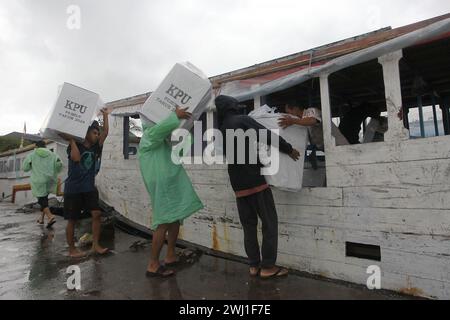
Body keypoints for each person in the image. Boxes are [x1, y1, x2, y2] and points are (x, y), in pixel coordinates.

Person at [215, 95, 301, 279]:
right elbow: (267, 135)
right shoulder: (242, 120)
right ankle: (268, 267)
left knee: (249, 226)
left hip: (237, 183)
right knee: (269, 223)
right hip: (254, 179)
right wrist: (289, 149)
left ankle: (254, 265)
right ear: (233, 107)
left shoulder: (221, 127)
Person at [138, 106, 204, 278]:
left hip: (169, 184)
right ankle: (153, 264)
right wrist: (174, 116)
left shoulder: (163, 142)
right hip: (162, 187)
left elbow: (179, 152)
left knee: (175, 218)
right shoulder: (148, 137)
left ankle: (170, 255)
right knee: (163, 222)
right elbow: (160, 130)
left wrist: (186, 130)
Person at [60, 108, 110, 258]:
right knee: (72, 220)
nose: (97, 135)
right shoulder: (75, 145)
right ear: (86, 133)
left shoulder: (96, 148)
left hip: (88, 187)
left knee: (96, 214)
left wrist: (106, 115)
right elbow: (75, 158)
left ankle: (96, 244)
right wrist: (72, 140)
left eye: (97, 133)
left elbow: (106, 133)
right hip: (73, 189)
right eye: (94, 133)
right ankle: (71, 249)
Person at [23, 140, 63, 228]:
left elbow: (25, 168)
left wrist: (31, 165)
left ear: (36, 147)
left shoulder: (32, 155)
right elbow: (59, 165)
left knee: (41, 200)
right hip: (50, 179)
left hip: (38, 180)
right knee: (44, 198)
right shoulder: (53, 154)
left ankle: (50, 216)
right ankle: (41, 219)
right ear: (45, 146)